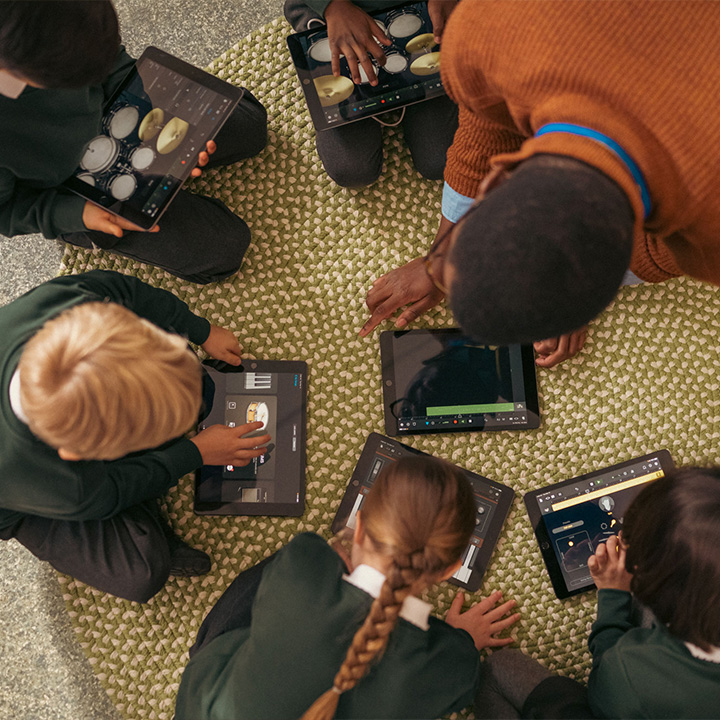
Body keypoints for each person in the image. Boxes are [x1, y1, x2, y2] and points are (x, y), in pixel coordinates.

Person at [360, 1, 720, 368]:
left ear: (498, 175)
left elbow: (656, 255)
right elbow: (484, 132)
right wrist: (440, 260)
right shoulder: (483, 32)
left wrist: (565, 296)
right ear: (497, 176)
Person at [174, 455, 520, 719]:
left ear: (358, 527)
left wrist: (340, 568)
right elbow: (457, 682)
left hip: (204, 705)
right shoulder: (451, 665)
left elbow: (300, 568)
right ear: (451, 569)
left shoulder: (304, 565)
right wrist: (460, 639)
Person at [0, 270, 271, 603]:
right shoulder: (67, 486)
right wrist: (194, 453)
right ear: (82, 454)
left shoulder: (68, 298)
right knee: (140, 572)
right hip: (20, 504)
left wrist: (202, 330)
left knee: (200, 391)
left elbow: (123, 288)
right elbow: (111, 489)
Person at [0, 0, 267, 284]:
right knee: (222, 250)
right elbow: (6, 211)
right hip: (69, 191)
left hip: (118, 104)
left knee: (251, 125)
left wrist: (153, 106)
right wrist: (79, 215)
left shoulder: (59, 23)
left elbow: (111, 64)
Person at [474, 467, 720, 719]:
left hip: (616, 702)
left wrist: (612, 594)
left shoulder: (629, 671)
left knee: (497, 670)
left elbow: (603, 691)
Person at [283, 0, 459, 187]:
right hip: (335, 10)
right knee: (353, 170)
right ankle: (315, 25)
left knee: (441, 161)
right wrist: (331, 7)